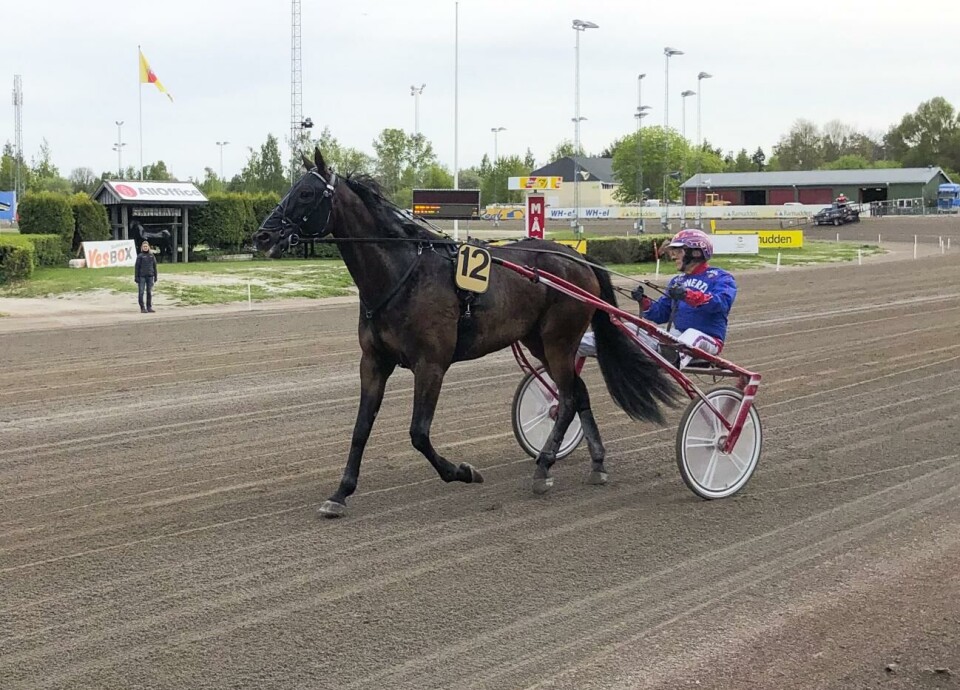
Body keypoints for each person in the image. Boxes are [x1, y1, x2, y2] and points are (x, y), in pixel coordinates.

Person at [578, 228, 737, 367]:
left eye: (678, 251)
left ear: (695, 252)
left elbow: (721, 304)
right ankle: (571, 345)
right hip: (675, 338)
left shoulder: (721, 277)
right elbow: (660, 314)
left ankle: (673, 360)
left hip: (708, 340)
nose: (673, 256)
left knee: (691, 336)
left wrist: (687, 295)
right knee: (626, 328)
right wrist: (643, 301)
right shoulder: (677, 281)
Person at [134, 240, 158, 313]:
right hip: (142, 277)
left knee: (149, 292)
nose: (145, 247)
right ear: (142, 247)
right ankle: (142, 307)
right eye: (144, 246)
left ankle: (149, 307)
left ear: (148, 247)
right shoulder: (140, 256)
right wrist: (136, 277)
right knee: (141, 292)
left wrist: (155, 276)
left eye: (146, 246)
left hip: (150, 276)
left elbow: (155, 266)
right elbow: (136, 267)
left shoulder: (151, 255)